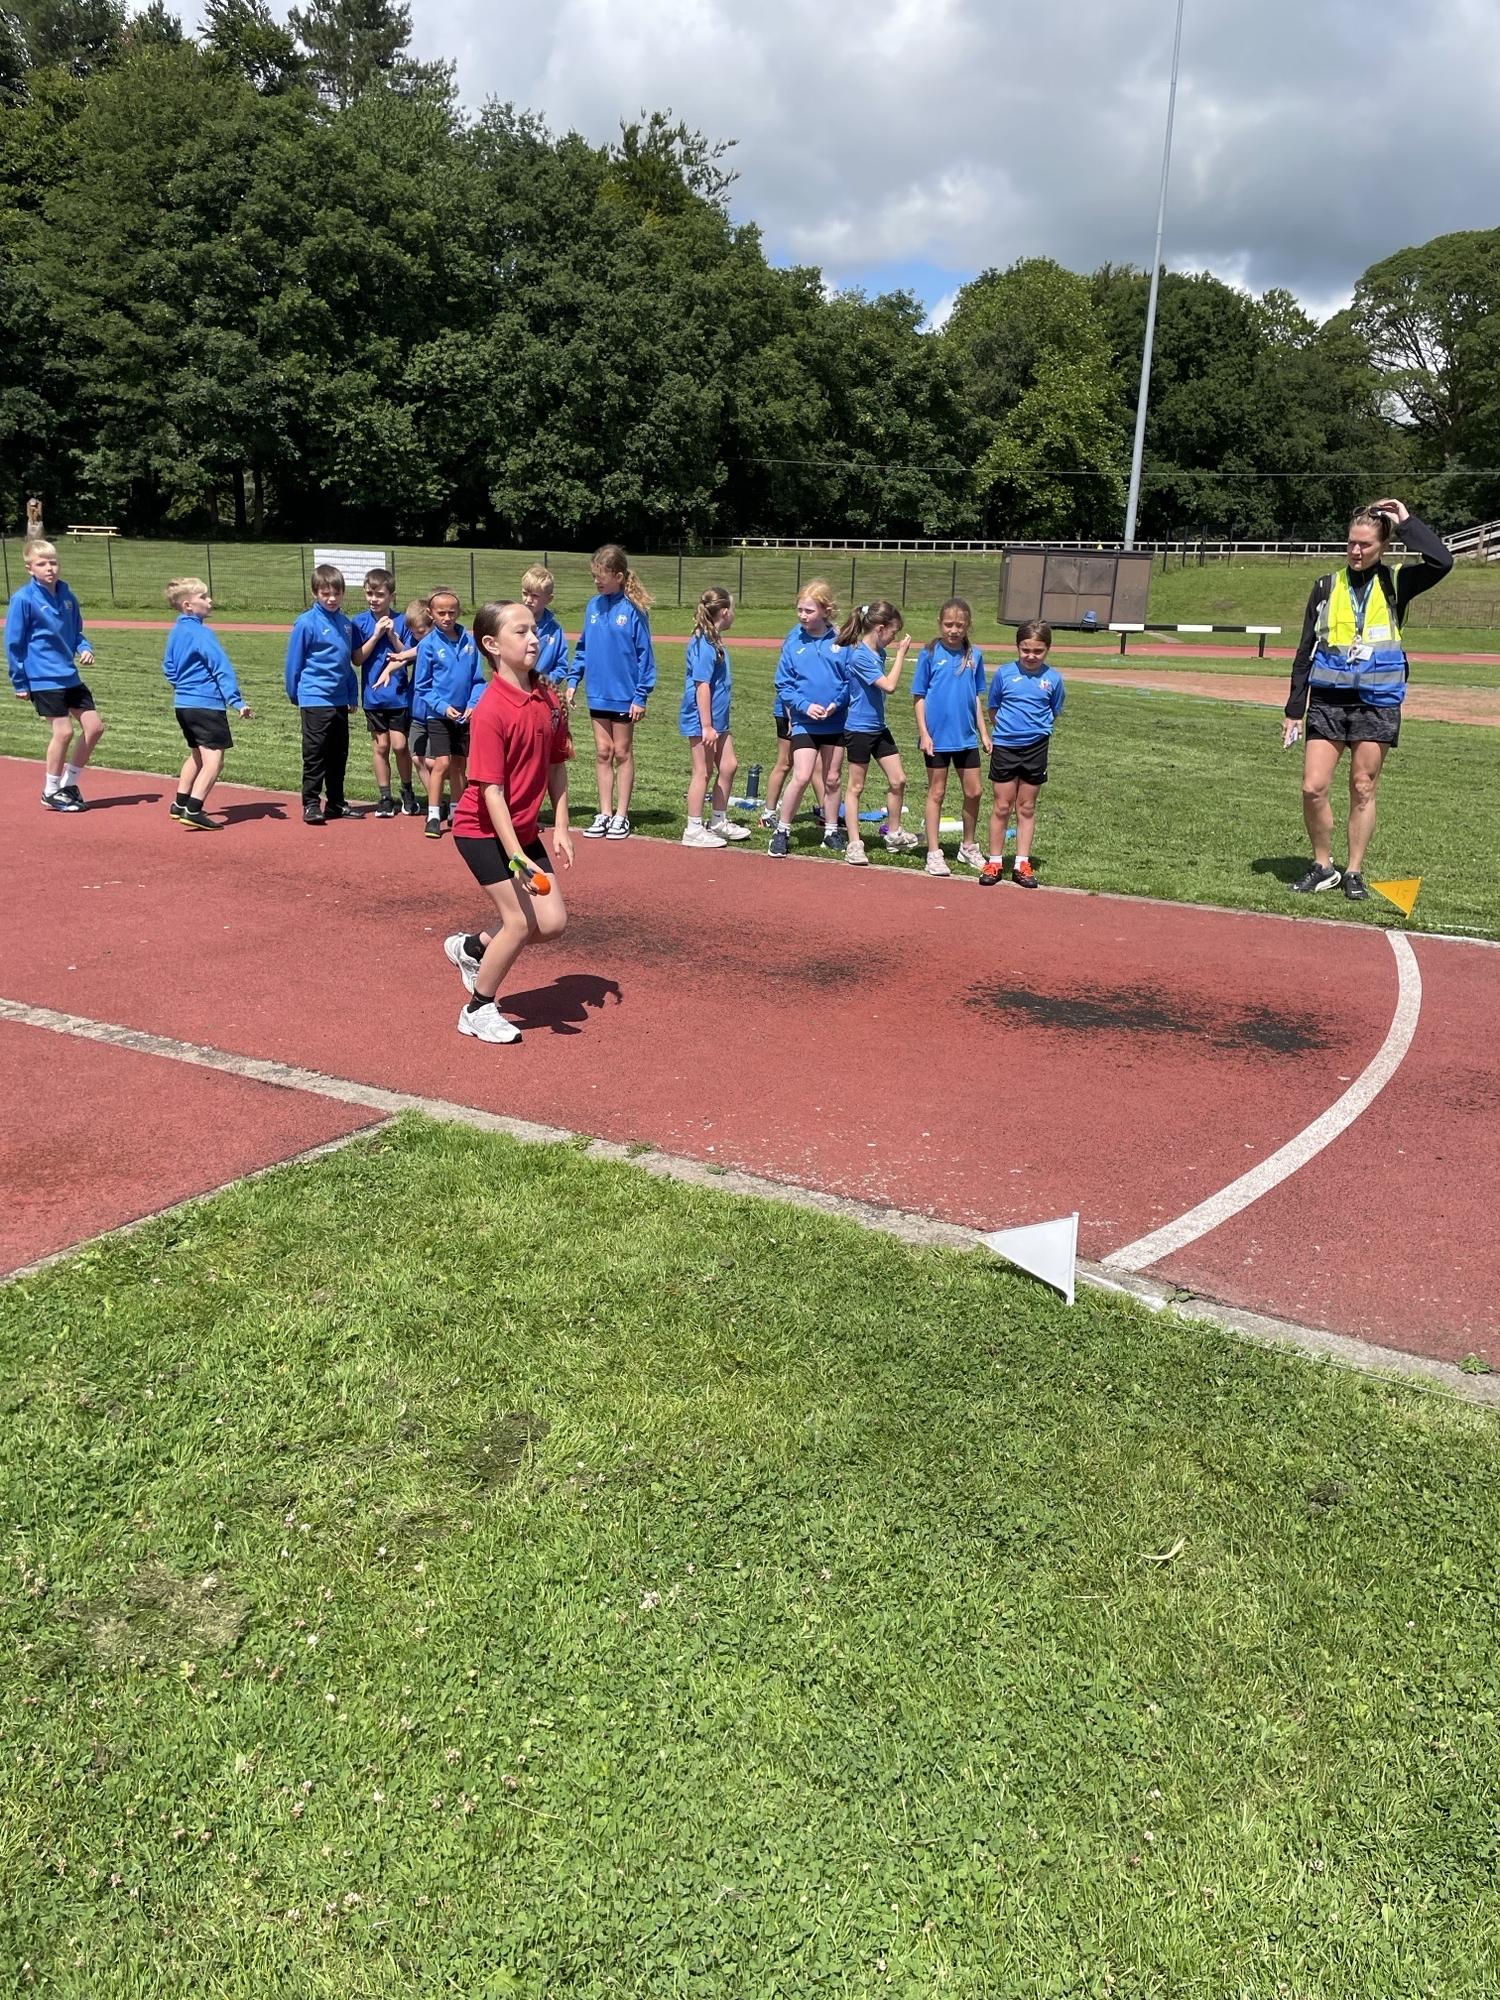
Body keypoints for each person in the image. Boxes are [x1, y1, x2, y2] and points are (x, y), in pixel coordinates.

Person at [1282, 499, 1453, 901]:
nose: (1356, 551)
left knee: (1362, 787)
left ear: (1384, 546)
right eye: (1351, 543)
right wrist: (1294, 709)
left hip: (1377, 702)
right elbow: (1305, 649)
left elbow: (1442, 562)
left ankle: (1354, 871)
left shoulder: (1396, 582)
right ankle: (1323, 866)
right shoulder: (1325, 586)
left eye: (1366, 545)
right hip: (1327, 700)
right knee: (1312, 787)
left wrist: (1406, 522)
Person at [443, 599, 574, 1045]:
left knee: (551, 923)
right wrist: (516, 855)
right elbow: (490, 792)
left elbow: (556, 765)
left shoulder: (547, 697)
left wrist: (561, 826)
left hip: (521, 831)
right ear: (492, 644)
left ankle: (473, 948)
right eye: (521, 631)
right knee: (519, 922)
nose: (533, 638)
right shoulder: (491, 709)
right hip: (480, 830)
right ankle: (477, 1009)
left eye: (534, 629)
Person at [563, 543, 656, 840]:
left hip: (625, 696)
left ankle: (621, 815)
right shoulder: (593, 606)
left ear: (618, 576)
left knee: (622, 752)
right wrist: (573, 680)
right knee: (603, 752)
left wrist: (641, 695)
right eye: (594, 576)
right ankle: (604, 812)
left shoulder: (634, 609)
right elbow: (583, 648)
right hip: (598, 693)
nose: (596, 581)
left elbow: (645, 656)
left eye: (601, 576)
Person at [5, 538, 103, 812]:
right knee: (64, 732)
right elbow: (13, 643)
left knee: (95, 727)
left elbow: (76, 633)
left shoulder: (68, 597)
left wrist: (84, 648)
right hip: (42, 678)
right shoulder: (24, 599)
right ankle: (50, 790)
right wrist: (20, 681)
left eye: (53, 562)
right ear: (29, 568)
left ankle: (68, 785)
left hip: (69, 676)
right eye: (41, 564)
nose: (49, 568)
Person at [768, 585, 855, 857]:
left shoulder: (841, 640)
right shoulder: (793, 640)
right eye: (800, 610)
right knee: (802, 775)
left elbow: (849, 680)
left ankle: (831, 831)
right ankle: (782, 830)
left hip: (835, 722)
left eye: (809, 610)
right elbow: (783, 684)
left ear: (825, 611)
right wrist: (805, 706)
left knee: (833, 778)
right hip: (805, 722)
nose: (803, 615)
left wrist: (836, 703)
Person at [160, 576, 251, 829]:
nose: (209, 600)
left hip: (183, 705)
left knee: (197, 755)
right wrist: (236, 701)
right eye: (203, 597)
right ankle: (194, 809)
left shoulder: (177, 631)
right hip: (206, 704)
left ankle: (179, 804)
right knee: (214, 761)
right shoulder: (202, 633)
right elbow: (221, 668)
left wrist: (183, 688)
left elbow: (168, 667)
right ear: (188, 605)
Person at [981, 621, 1065, 888]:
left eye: (1038, 651)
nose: (1031, 656)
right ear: (1017, 647)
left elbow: (1054, 709)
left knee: (1026, 807)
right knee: (1002, 805)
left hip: (1036, 748)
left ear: (1048, 649)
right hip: (1005, 746)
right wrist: (1007, 732)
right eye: (1025, 650)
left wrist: (1035, 731)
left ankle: (1021, 864)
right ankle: (995, 862)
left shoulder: (1053, 679)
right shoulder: (1004, 674)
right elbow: (993, 708)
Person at [837, 600, 916, 868]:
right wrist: (901, 654)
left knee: (898, 779)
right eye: (893, 633)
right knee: (856, 787)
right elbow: (889, 686)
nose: (894, 638)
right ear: (880, 629)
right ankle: (854, 844)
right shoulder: (860, 656)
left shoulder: (878, 653)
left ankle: (893, 834)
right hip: (859, 730)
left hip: (878, 727)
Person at [913, 598, 989, 874]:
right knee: (937, 792)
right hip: (937, 738)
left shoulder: (975, 655)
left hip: (966, 737)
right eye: (948, 624)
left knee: (975, 791)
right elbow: (919, 696)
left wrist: (984, 733)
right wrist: (924, 733)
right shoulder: (929, 654)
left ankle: (968, 846)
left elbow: (976, 697)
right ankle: (934, 852)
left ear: (968, 625)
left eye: (959, 625)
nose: (954, 630)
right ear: (940, 624)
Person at [285, 563, 360, 825]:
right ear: (315, 593)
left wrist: (352, 694)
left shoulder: (346, 624)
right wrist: (294, 693)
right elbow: (294, 662)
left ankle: (336, 803)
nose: (331, 599)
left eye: (336, 594)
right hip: (315, 697)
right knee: (315, 753)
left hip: (339, 700)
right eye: (325, 594)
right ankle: (311, 803)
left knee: (339, 754)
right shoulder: (306, 623)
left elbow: (346, 663)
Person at [679, 586, 750, 848]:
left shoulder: (714, 640)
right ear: (724, 612)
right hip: (702, 720)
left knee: (729, 765)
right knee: (703, 771)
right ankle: (693, 828)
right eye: (733, 609)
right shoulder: (704, 643)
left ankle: (718, 821)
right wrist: (707, 726)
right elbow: (702, 686)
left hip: (719, 719)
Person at [412, 587, 483, 839]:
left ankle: (456, 811)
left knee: (459, 765)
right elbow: (423, 686)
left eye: (451, 612)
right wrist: (443, 707)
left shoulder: (470, 641)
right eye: (441, 613)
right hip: (438, 716)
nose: (447, 617)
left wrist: (473, 704)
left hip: (464, 716)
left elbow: (478, 679)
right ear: (430, 613)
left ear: (458, 612)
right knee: (442, 762)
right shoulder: (428, 645)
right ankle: (433, 814)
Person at [352, 567, 417, 819]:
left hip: (398, 696)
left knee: (400, 746)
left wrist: (391, 635)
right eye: (369, 594)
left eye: (379, 595)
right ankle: (385, 796)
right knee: (381, 746)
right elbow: (358, 659)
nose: (374, 599)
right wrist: (376, 634)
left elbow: (408, 656)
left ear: (392, 596)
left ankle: (407, 791)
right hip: (373, 697)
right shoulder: (359, 622)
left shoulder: (403, 621)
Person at [399, 597, 434, 814]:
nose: (417, 637)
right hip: (417, 708)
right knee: (417, 758)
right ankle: (436, 803)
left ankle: (464, 791)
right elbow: (403, 656)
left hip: (437, 711)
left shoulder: (439, 642)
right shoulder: (414, 641)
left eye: (421, 631)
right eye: (413, 633)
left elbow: (417, 650)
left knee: (435, 763)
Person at [521, 565, 570, 687]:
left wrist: (545, 682)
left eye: (534, 596)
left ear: (549, 599)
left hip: (543, 691)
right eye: (525, 593)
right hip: (517, 689)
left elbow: (561, 666)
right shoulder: (513, 624)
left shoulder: (555, 631)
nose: (528, 600)